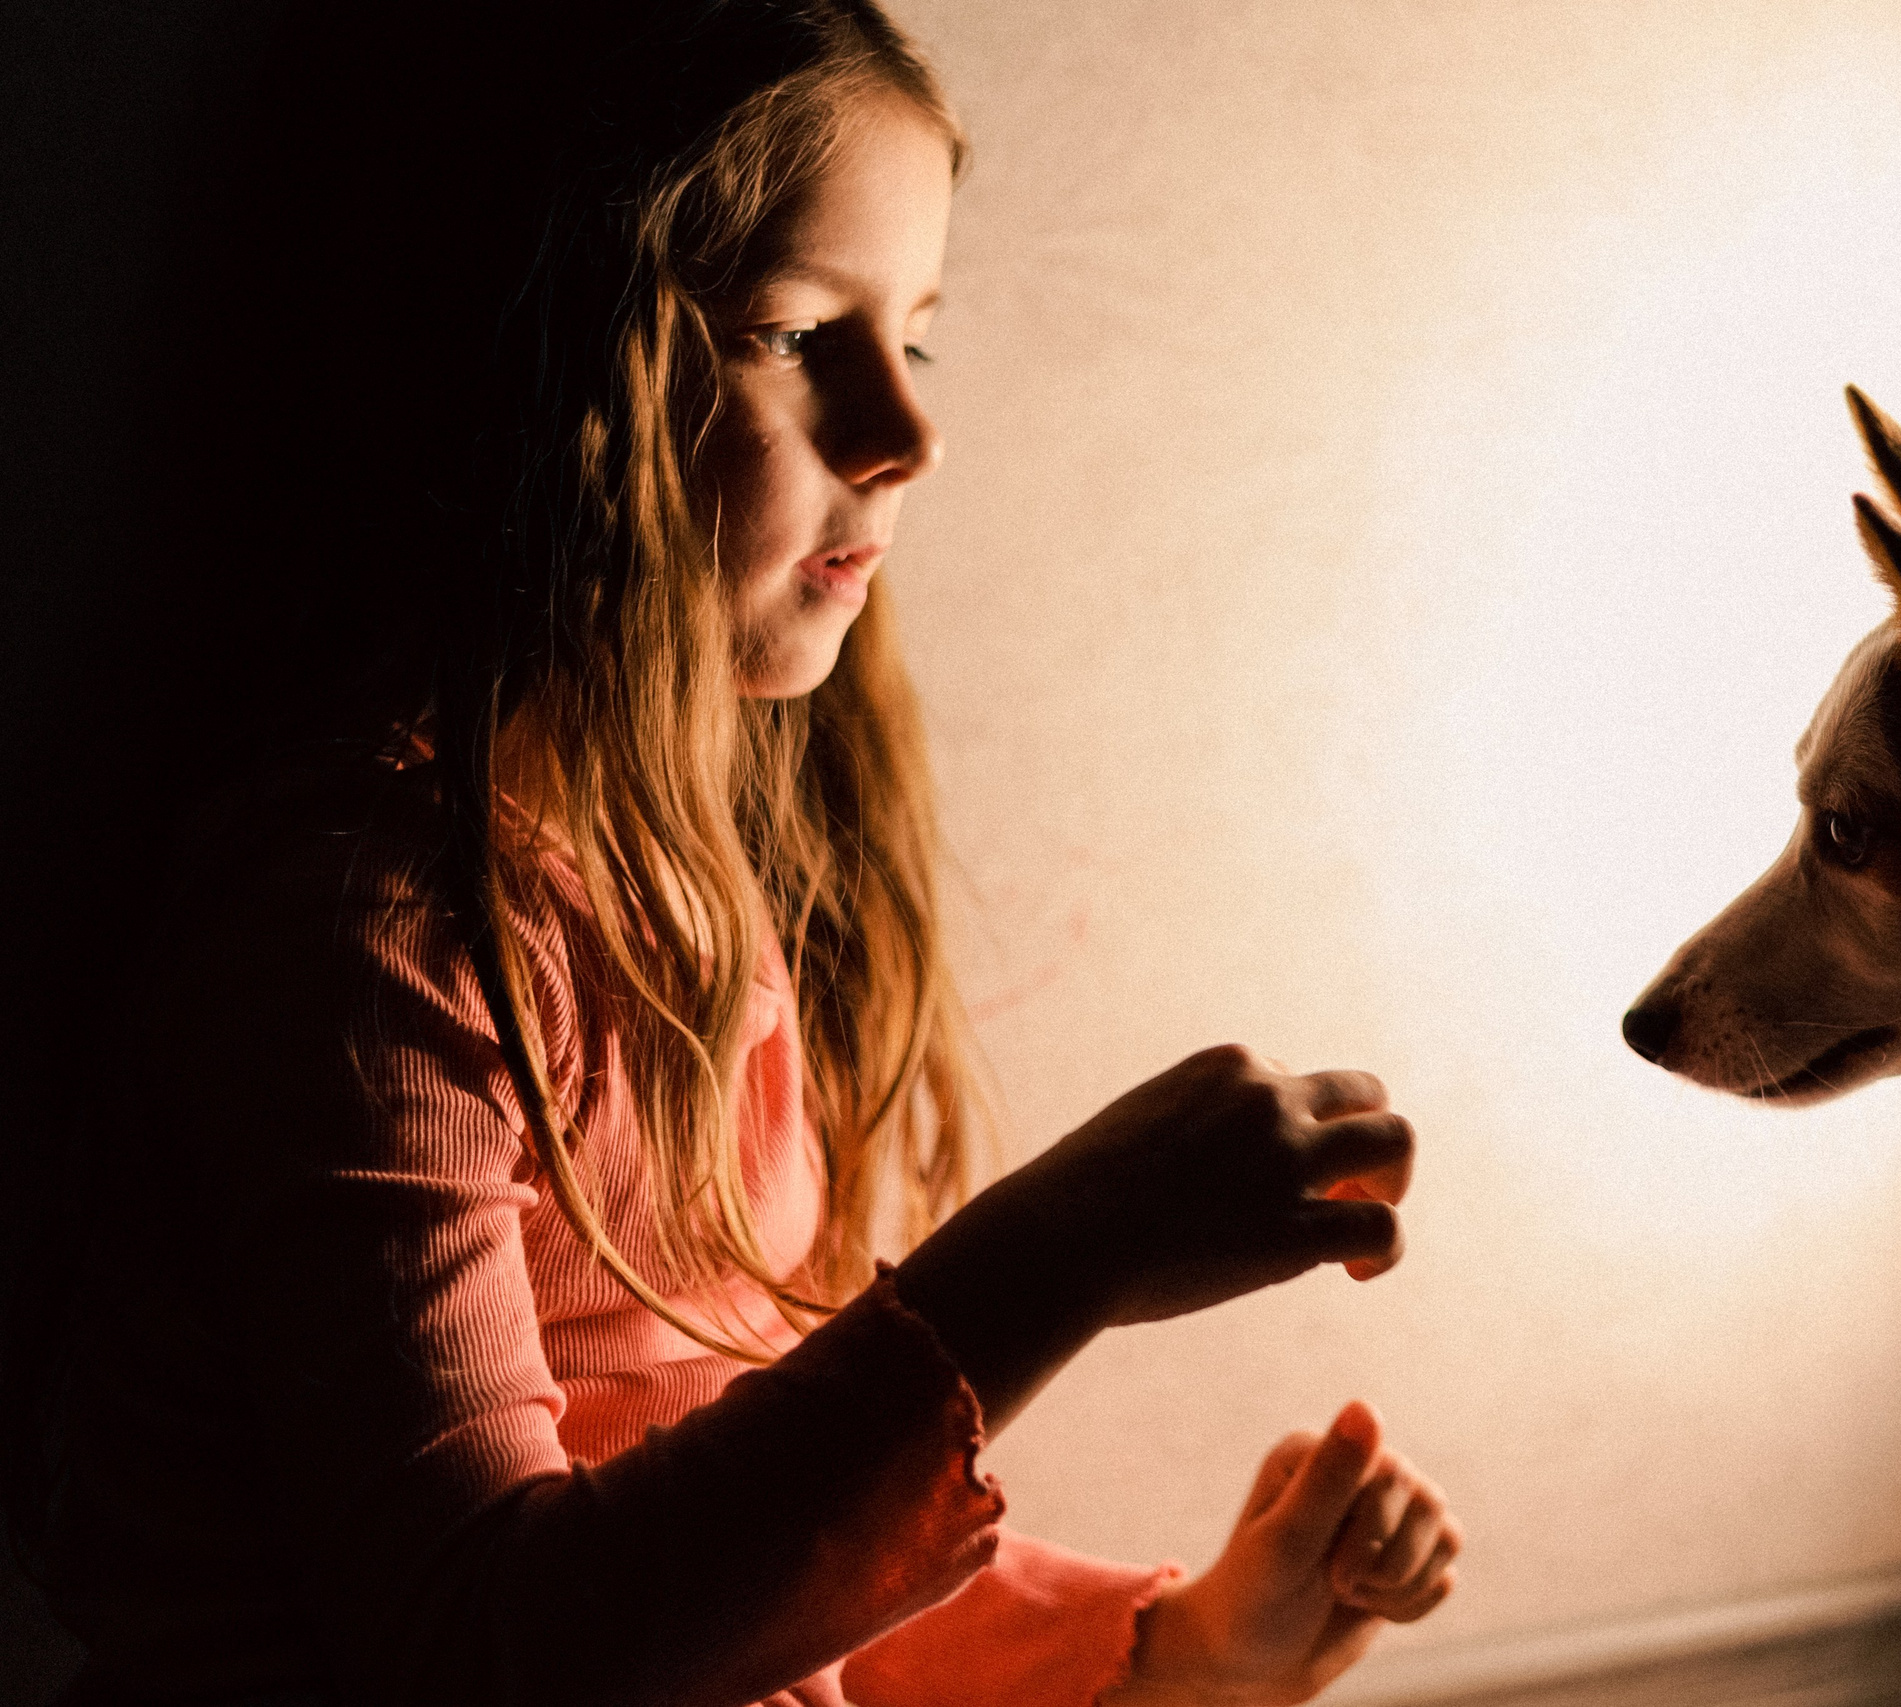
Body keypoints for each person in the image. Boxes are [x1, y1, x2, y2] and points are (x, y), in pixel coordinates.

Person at [15, 3, 1460, 1702]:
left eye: (915, 336)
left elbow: (743, 1560)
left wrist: (1175, 1650)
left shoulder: (681, 902)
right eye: (792, 331)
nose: (907, 432)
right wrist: (1048, 1264)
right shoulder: (360, 940)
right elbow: (496, 1654)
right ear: (540, 360)